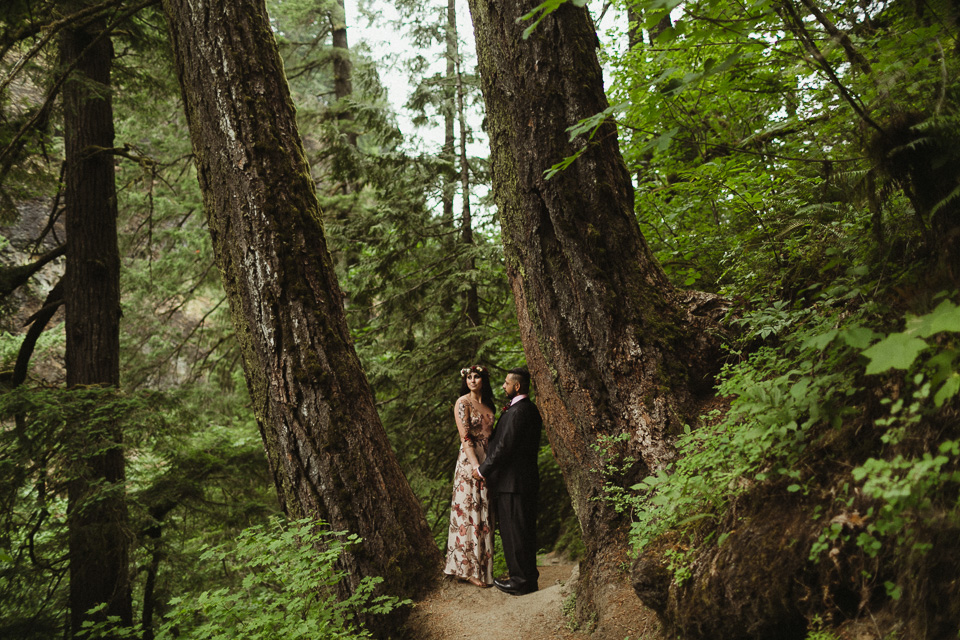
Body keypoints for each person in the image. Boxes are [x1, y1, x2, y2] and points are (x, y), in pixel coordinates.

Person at [473, 367, 542, 596]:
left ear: (517, 386)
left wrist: (483, 470)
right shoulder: (526, 409)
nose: (503, 386)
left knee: (515, 532)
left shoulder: (519, 411)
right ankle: (527, 579)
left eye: (506, 383)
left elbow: (504, 446)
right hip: (521, 482)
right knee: (522, 531)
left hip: (514, 483)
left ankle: (520, 581)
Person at [443, 364, 496, 587]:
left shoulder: (488, 404)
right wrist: (475, 466)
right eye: (469, 377)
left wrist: (489, 464)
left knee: (485, 513)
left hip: (488, 460)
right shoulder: (462, 402)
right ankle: (468, 569)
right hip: (469, 461)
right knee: (469, 512)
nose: (473, 380)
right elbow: (465, 437)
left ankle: (485, 570)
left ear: (483, 379)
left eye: (477, 377)